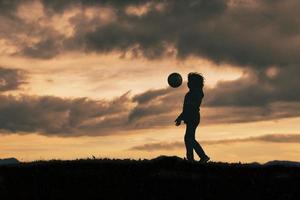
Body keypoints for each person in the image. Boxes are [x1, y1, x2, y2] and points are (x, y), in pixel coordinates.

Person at [175, 72, 210, 163]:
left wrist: (181, 117)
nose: (187, 83)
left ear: (194, 83)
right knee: (189, 138)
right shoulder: (190, 94)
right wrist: (180, 117)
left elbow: (189, 108)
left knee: (189, 138)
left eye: (189, 81)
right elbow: (186, 109)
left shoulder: (195, 94)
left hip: (193, 117)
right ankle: (192, 158)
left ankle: (201, 157)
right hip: (191, 117)